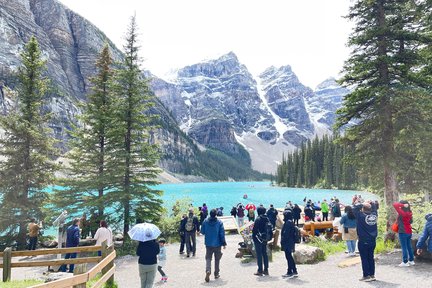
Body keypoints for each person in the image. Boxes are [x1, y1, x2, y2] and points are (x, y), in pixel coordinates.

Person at [200, 208, 227, 283]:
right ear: (216, 214)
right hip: (217, 244)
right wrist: (224, 243)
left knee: (208, 258)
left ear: (210, 214)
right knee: (217, 259)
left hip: (208, 243)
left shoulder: (205, 221)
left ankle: (208, 270)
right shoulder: (219, 222)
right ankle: (216, 273)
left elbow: (202, 231)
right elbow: (222, 234)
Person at [353, 202, 377, 282]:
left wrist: (362, 203)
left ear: (363, 209)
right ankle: (372, 274)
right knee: (371, 257)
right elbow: (374, 207)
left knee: (364, 258)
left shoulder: (360, 216)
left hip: (363, 240)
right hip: (372, 240)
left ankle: (366, 275)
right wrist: (371, 203)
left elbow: (354, 208)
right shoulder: (374, 215)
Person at [393, 200, 415, 267]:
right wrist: (405, 205)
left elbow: (395, 204)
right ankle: (411, 260)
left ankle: (405, 262)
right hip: (409, 231)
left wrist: (402, 205)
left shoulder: (402, 213)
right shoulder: (410, 212)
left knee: (404, 247)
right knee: (409, 246)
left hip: (403, 231)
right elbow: (411, 221)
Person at [252, 206, 270, 276]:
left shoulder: (258, 219)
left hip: (258, 239)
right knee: (264, 253)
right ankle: (266, 270)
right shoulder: (267, 219)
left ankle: (260, 270)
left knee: (259, 254)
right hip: (265, 238)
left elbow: (254, 230)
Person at [280, 210, 298, 279]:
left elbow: (286, 234)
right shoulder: (291, 222)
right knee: (289, 256)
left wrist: (282, 241)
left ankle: (290, 271)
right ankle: (293, 270)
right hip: (291, 242)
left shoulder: (288, 223)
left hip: (288, 242)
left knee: (288, 257)